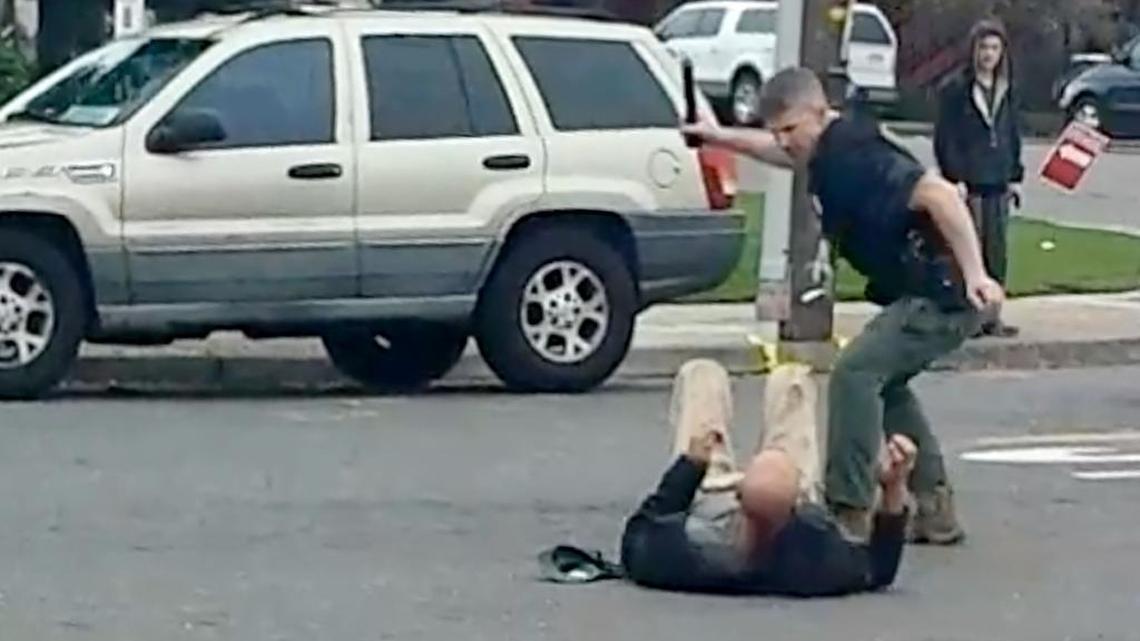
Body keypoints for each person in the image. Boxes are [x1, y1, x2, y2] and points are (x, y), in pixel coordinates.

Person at [681, 68, 1005, 545]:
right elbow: (782, 155)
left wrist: (977, 273)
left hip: (944, 292)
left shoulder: (856, 154)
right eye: (777, 132)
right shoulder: (822, 150)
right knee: (884, 383)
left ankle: (847, 511)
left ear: (819, 111)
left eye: (790, 130)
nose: (784, 142)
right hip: (925, 287)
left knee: (855, 373)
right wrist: (719, 137)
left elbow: (937, 193)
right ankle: (936, 510)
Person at [620, 360, 917, 596]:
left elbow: (641, 533)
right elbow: (879, 568)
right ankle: (788, 379)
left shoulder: (692, 554)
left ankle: (707, 379)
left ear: (738, 491)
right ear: (796, 508)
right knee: (793, 381)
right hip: (765, 505)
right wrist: (893, 487)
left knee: (701, 376)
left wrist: (689, 467)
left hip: (710, 500)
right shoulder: (817, 559)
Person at [935, 18, 1024, 338]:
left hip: (998, 178)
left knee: (996, 251)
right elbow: (946, 137)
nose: (989, 54)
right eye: (983, 47)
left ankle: (992, 316)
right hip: (968, 180)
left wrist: (1014, 173)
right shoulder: (955, 89)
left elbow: (1012, 132)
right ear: (973, 51)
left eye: (995, 48)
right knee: (970, 250)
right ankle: (967, 316)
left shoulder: (1006, 88)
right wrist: (953, 176)